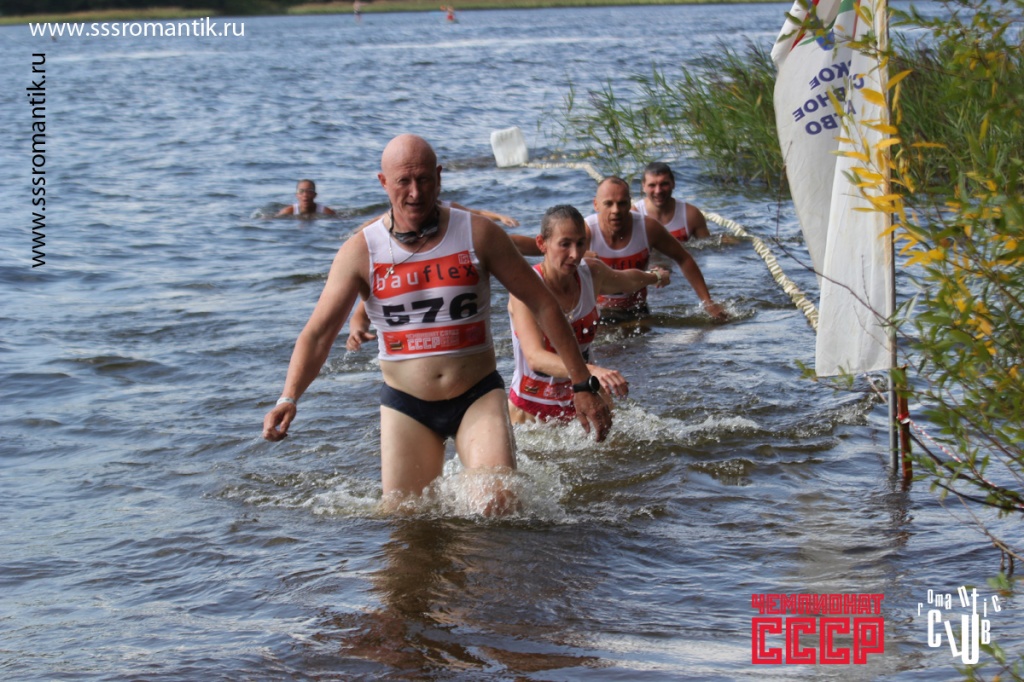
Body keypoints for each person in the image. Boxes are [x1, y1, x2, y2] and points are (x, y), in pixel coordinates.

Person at [262, 134, 611, 513]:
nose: (415, 193)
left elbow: (543, 304)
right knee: (406, 520)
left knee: (498, 504)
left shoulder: (478, 234)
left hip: (477, 395)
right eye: (404, 181)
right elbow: (318, 334)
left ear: (439, 177)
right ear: (383, 182)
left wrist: (581, 384)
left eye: (424, 179)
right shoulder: (361, 250)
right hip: (406, 405)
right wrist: (288, 397)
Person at [507, 205, 670, 423]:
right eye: (565, 244)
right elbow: (535, 357)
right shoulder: (525, 288)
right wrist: (592, 371)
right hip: (532, 405)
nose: (575, 254)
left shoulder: (591, 273)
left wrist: (655, 277)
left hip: (589, 396)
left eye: (580, 243)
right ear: (541, 243)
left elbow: (627, 280)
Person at [586, 176, 727, 321]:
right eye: (608, 204)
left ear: (630, 203)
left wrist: (708, 303)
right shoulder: (585, 232)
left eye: (622, 203)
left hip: (638, 310)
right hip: (598, 312)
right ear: (596, 205)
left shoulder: (648, 227)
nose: (616, 210)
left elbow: (684, 258)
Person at [633, 162, 710, 241]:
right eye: (652, 185)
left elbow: (708, 246)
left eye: (664, 184)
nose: (658, 191)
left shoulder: (691, 215)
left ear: (673, 183)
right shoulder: (633, 215)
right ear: (643, 187)